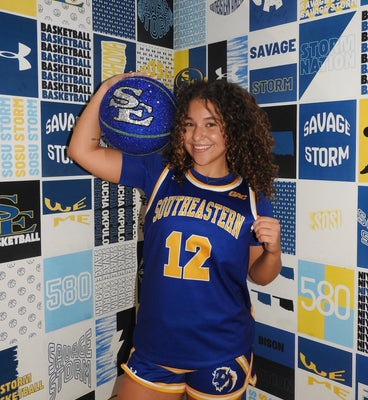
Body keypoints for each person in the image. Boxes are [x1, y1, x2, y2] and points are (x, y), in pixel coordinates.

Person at [68, 72, 282, 400]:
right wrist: (108, 89)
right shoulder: (160, 173)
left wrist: (272, 251)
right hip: (157, 343)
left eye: (211, 124)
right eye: (188, 124)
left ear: (234, 128)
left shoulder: (252, 197)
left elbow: (261, 276)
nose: (197, 135)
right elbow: (81, 150)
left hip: (221, 348)